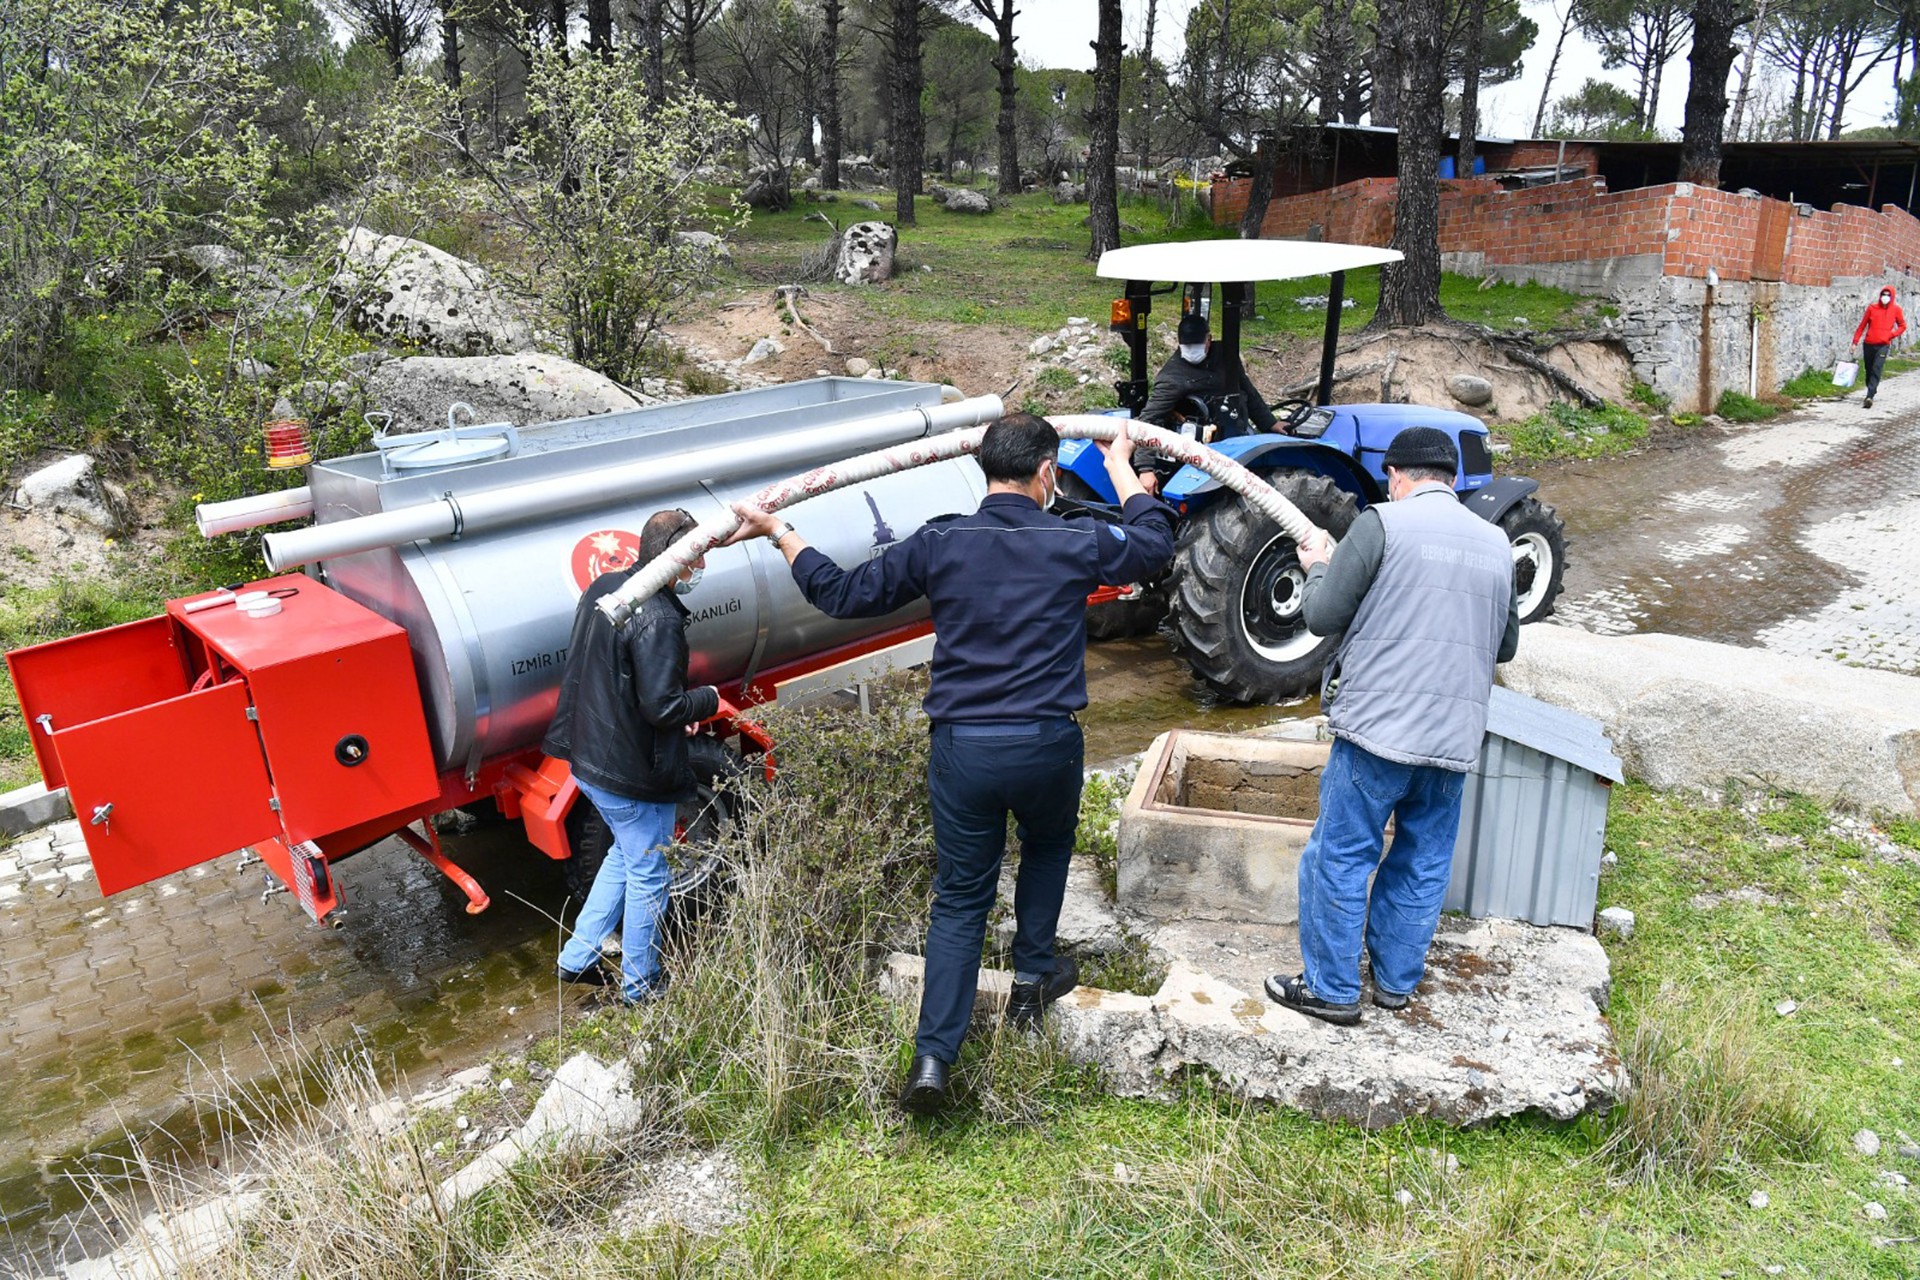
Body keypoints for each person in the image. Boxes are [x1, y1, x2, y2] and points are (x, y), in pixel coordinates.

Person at [727, 413, 1176, 1114]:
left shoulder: (942, 541)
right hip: (1043, 742)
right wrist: (1123, 468)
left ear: (983, 470)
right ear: (1047, 473)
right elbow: (1153, 546)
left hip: (964, 747)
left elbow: (842, 594)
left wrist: (780, 532)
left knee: (962, 896)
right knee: (1049, 847)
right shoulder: (1071, 540)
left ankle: (933, 1060)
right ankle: (1032, 976)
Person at [1265, 426, 1519, 1027]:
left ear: (1397, 476)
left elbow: (1323, 615)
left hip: (1378, 733)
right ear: (1452, 480)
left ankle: (1331, 990)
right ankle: (1395, 985)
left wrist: (1321, 566)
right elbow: (1504, 645)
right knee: (1423, 858)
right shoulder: (1495, 543)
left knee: (1342, 855)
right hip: (1454, 738)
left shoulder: (1381, 523)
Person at [544, 507, 720, 1005]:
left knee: (625, 853)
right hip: (631, 768)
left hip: (590, 754)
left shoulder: (606, 587)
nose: (699, 568)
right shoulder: (660, 616)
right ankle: (642, 986)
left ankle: (577, 956)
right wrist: (706, 699)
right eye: (697, 557)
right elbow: (663, 706)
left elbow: (615, 676)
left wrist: (668, 705)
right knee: (649, 872)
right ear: (674, 559)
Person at [1139, 313, 1277, 441]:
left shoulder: (1225, 356)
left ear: (1209, 339)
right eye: (1188, 345)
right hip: (1201, 442)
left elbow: (1246, 388)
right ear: (1179, 343)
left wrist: (1270, 423)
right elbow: (1149, 420)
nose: (1193, 349)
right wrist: (1145, 467)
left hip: (1237, 428)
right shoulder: (1172, 378)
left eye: (1198, 344)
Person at [1852, 285, 1907, 409]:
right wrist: (1855, 342)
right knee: (1869, 369)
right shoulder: (1872, 308)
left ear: (1892, 297)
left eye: (1888, 295)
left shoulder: (1896, 310)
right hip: (1869, 344)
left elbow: (1903, 326)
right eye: (1884, 295)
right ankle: (1871, 388)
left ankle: (1869, 396)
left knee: (1877, 368)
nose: (1885, 297)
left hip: (1883, 345)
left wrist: (1891, 335)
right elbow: (1862, 326)